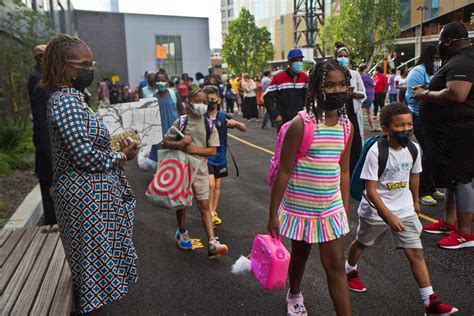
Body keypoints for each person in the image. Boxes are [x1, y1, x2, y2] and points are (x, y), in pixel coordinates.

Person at [41, 34, 138, 315]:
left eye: (90, 62)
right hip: (85, 203)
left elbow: (84, 144)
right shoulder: (66, 102)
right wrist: (121, 155)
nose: (89, 68)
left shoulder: (72, 99)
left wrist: (114, 146)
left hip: (90, 200)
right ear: (63, 66)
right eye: (83, 63)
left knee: (92, 272)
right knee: (92, 276)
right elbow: (82, 155)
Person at [345, 102, 458, 315]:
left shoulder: (414, 149)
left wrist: (414, 201)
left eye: (409, 124)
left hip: (404, 208)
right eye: (400, 125)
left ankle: (430, 302)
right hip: (376, 210)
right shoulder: (376, 152)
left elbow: (414, 176)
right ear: (386, 129)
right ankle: (349, 270)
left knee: (415, 252)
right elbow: (370, 190)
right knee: (361, 243)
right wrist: (387, 215)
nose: (406, 129)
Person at [267, 60, 353, 315]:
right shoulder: (301, 124)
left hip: (331, 209)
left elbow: (344, 171)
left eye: (342, 85)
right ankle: (294, 293)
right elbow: (283, 172)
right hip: (300, 207)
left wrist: (344, 209)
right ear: (315, 89)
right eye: (329, 85)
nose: (337, 90)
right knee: (300, 255)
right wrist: (272, 215)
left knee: (336, 264)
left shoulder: (347, 126)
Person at [414, 21, 474, 249]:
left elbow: (456, 94)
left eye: (441, 40)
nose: (439, 45)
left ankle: (465, 233)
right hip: (448, 133)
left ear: (448, 40)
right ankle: (450, 222)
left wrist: (424, 94)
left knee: (462, 180)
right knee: (451, 180)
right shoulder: (457, 60)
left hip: (460, 134)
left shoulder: (464, 61)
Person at [162, 89, 229, 258]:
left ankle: (212, 241)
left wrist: (192, 148)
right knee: (182, 203)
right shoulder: (181, 122)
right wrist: (179, 144)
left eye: (204, 102)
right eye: (197, 100)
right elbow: (165, 142)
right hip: (182, 168)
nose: (201, 105)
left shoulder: (209, 124)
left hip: (200, 169)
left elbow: (213, 150)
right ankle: (182, 231)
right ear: (189, 101)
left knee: (204, 204)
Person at [406, 44, 444, 207]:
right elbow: (411, 96)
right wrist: (428, 91)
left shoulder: (437, 71)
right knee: (427, 151)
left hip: (434, 117)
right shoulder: (417, 71)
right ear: (429, 57)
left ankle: (431, 186)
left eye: (439, 59)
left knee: (433, 152)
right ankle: (423, 191)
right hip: (419, 116)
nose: (438, 61)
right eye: (435, 59)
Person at [203, 85, 247, 226]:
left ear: (219, 100)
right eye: (208, 100)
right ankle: (208, 213)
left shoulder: (223, 116)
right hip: (206, 156)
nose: (210, 102)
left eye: (213, 99)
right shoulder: (201, 117)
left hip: (220, 156)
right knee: (210, 184)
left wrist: (237, 124)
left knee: (217, 185)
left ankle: (213, 212)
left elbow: (244, 128)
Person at [27, 44, 57, 225]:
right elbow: (41, 122)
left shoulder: (42, 79)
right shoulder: (39, 82)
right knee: (50, 189)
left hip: (48, 146)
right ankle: (53, 228)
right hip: (48, 148)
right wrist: (50, 154)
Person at [335, 42, 366, 176]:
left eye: (345, 56)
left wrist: (351, 94)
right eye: (340, 56)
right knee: (339, 145)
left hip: (352, 114)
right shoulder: (333, 74)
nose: (343, 58)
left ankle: (354, 174)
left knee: (355, 145)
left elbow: (363, 94)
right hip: (337, 115)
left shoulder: (355, 74)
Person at [264, 48, 308, 131]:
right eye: (295, 60)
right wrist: (275, 115)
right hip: (284, 121)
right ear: (289, 62)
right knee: (284, 143)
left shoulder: (304, 77)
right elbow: (267, 97)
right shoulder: (279, 78)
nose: (298, 63)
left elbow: (309, 96)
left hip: (301, 120)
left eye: (300, 60)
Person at [149, 72, 185, 162]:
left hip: (174, 129)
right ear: (155, 83)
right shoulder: (153, 97)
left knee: (175, 154)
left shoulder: (174, 94)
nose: (160, 83)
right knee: (161, 155)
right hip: (160, 131)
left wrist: (184, 127)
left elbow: (182, 110)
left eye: (163, 80)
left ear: (167, 81)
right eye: (158, 81)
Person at [358, 64, 378, 132]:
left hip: (366, 95)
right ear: (365, 69)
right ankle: (357, 127)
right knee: (361, 112)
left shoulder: (360, 75)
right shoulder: (366, 76)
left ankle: (373, 127)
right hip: (368, 95)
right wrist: (374, 80)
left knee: (369, 113)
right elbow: (374, 84)